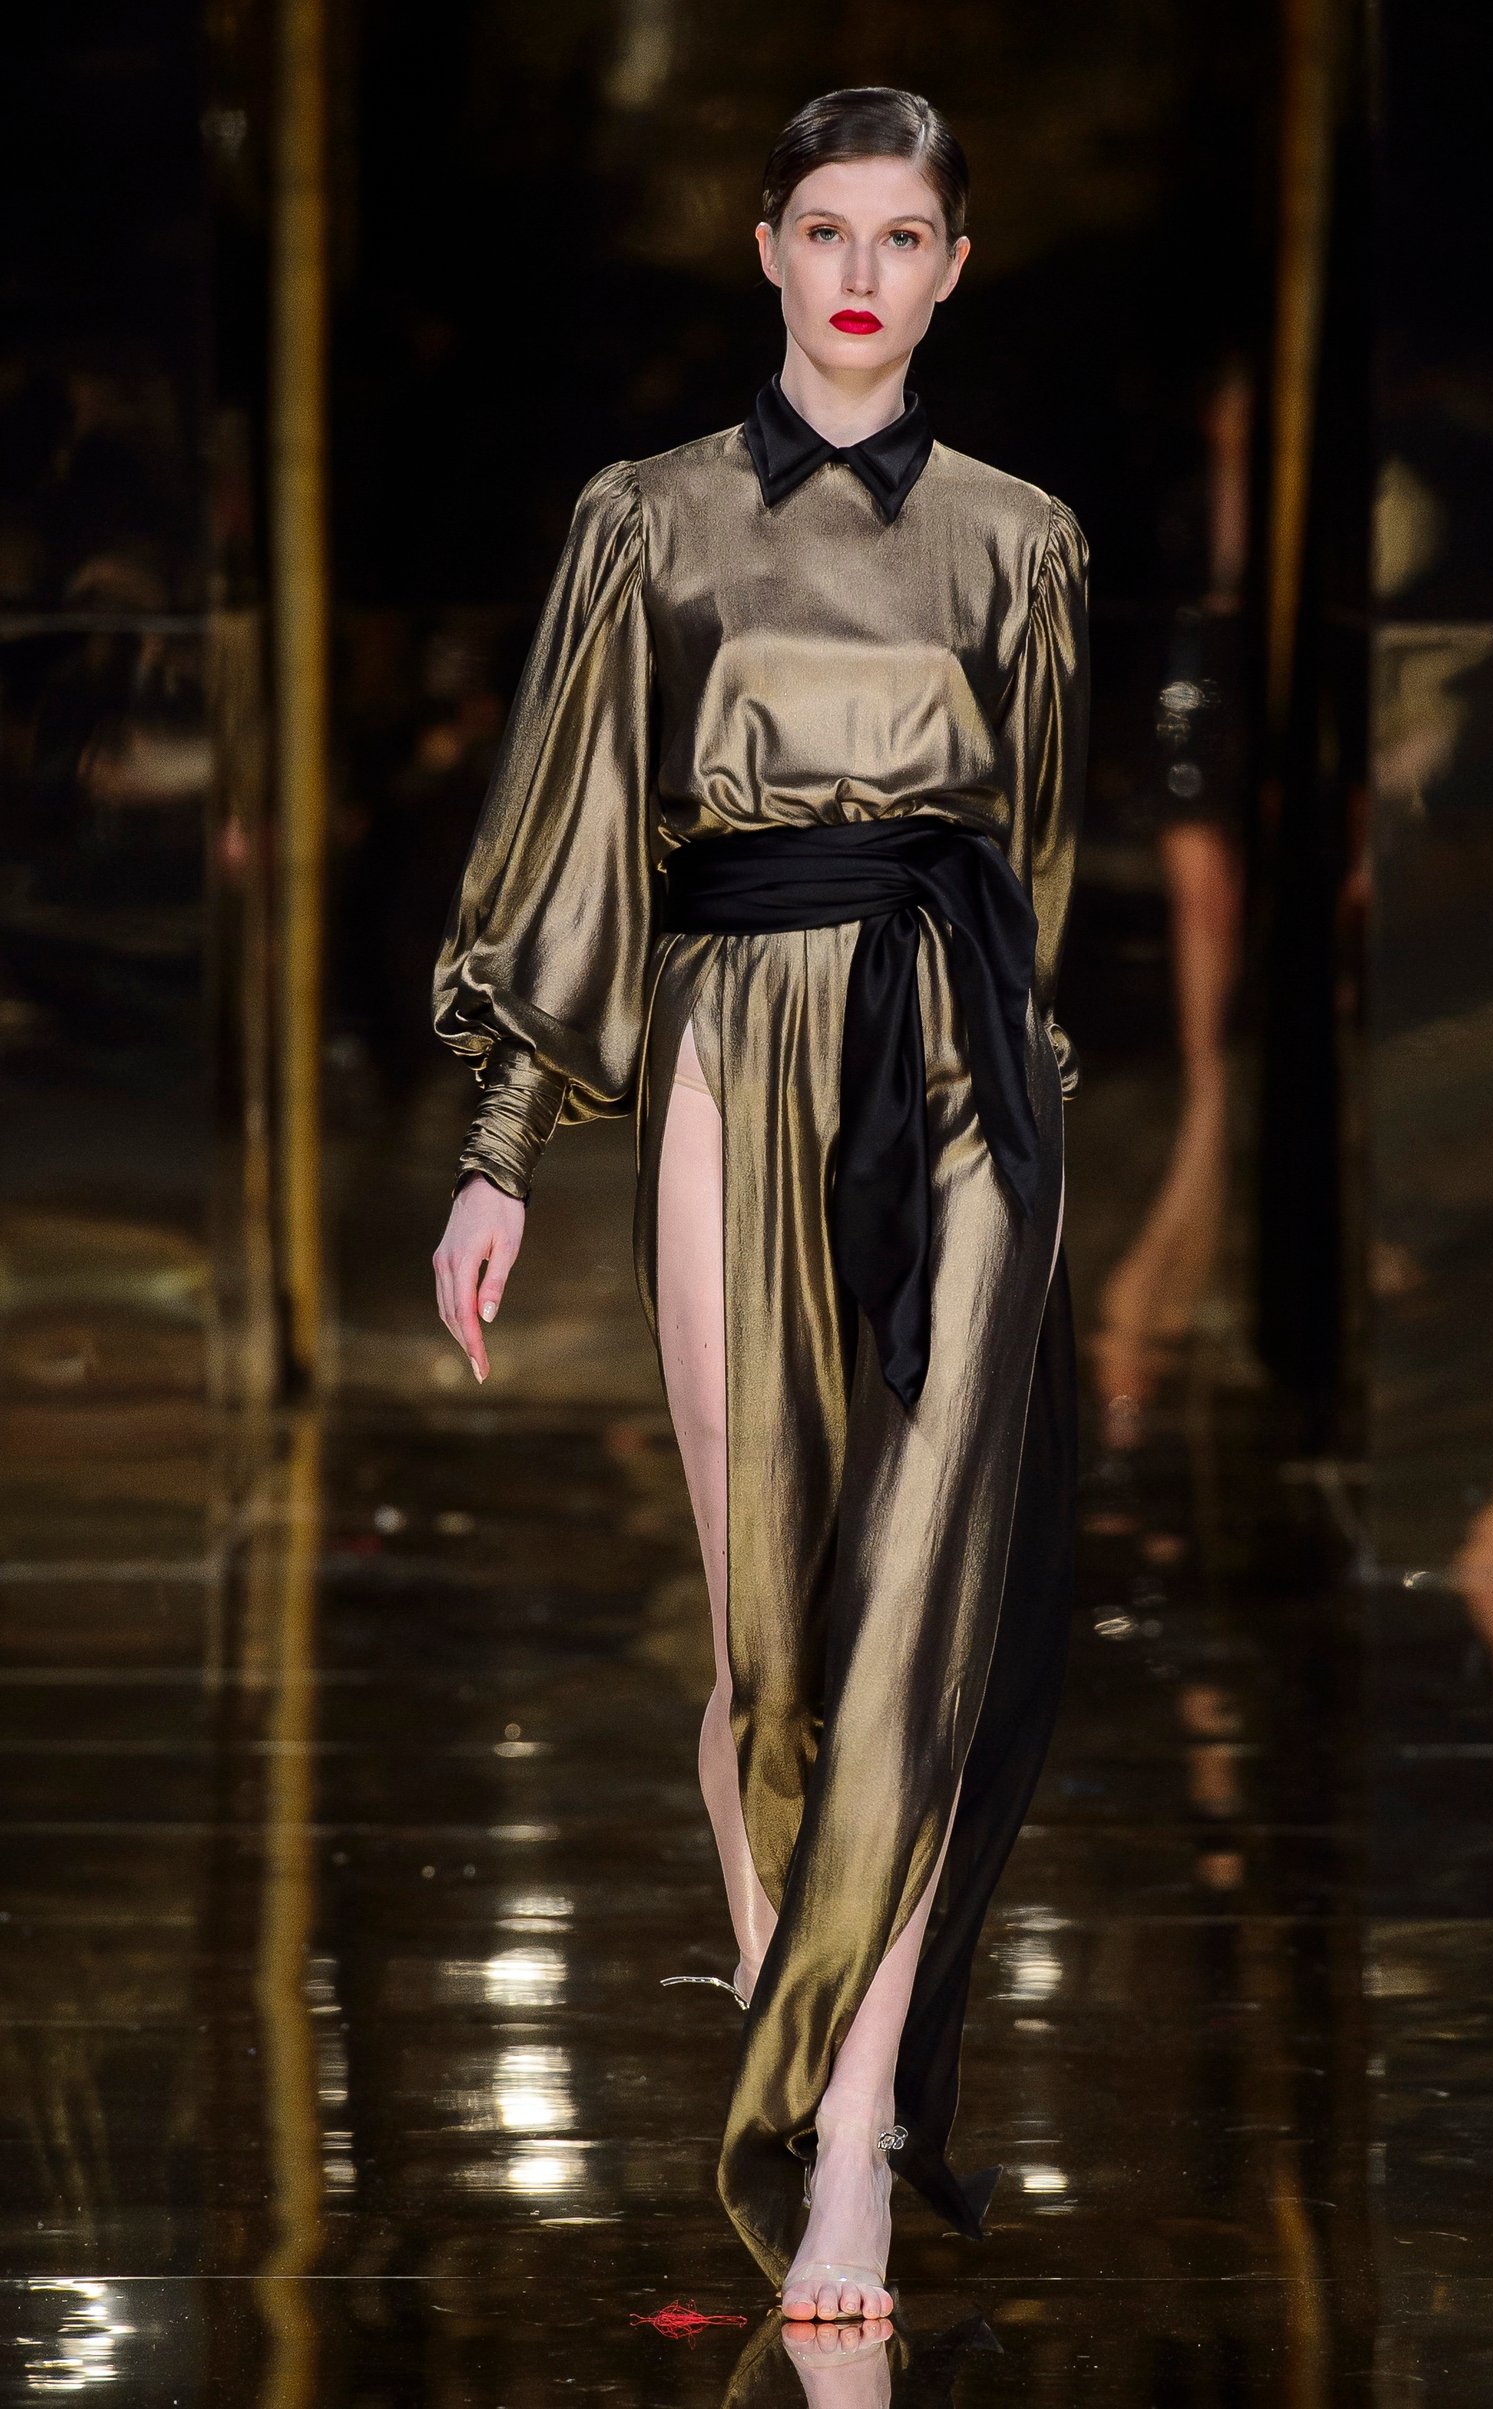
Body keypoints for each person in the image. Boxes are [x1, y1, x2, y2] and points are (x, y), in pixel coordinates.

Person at [430, 87, 1089, 2325]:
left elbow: (1038, 871)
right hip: (731, 1047)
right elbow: (577, 834)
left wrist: (1040, 1158)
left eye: (904, 235)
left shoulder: (1022, 542)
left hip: (961, 1074)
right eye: (826, 228)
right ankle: (784, 2012)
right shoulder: (647, 522)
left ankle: (851, 2132)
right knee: (764, 1637)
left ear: (953, 267)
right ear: (765, 245)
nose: (860, 273)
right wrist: (501, 1147)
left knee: (917, 1615)